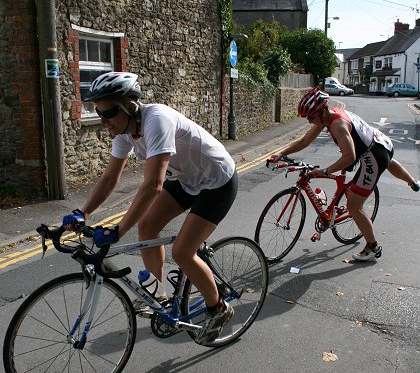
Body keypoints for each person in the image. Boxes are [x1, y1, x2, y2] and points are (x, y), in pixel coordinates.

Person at [63, 72, 238, 344]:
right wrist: (83, 212)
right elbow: (110, 178)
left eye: (107, 113)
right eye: (98, 114)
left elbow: (153, 184)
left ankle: (218, 308)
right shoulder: (125, 131)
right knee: (147, 226)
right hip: (188, 179)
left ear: (129, 106)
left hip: (217, 180)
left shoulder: (157, 120)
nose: (103, 122)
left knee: (182, 251)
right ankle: (159, 296)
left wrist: (118, 231)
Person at [272, 85, 420, 262]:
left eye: (311, 117)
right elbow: (305, 140)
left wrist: (325, 171)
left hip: (373, 156)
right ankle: (413, 182)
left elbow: (350, 157)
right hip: (381, 143)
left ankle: (373, 247)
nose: (309, 121)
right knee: (388, 163)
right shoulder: (328, 116)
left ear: (321, 111)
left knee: (353, 207)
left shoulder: (338, 125)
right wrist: (281, 153)